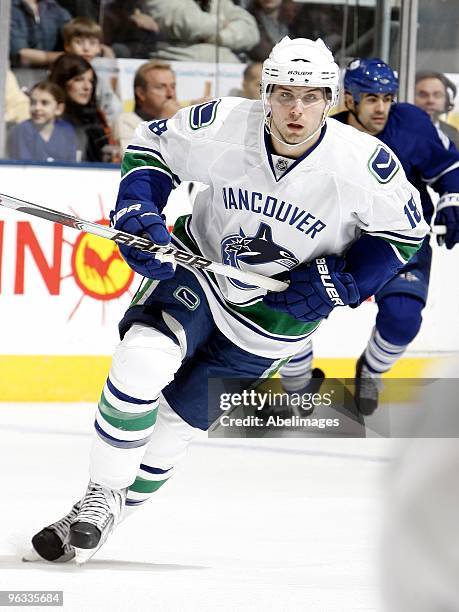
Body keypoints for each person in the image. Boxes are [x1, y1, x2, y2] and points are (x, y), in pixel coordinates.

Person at [27, 38, 427, 564]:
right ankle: (102, 492)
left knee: (174, 429)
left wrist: (341, 281)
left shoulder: (362, 163)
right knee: (143, 358)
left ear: (332, 99)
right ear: (264, 93)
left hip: (276, 319)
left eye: (310, 97)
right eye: (283, 94)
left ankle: (103, 513)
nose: (295, 110)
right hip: (202, 269)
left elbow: (404, 233)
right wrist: (134, 212)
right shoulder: (223, 124)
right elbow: (152, 150)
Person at [280, 58, 459, 414]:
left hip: (401, 239)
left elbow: (450, 167)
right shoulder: (320, 133)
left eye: (388, 98)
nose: (382, 108)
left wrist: (453, 198)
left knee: (403, 317)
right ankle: (298, 384)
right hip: (335, 238)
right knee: (289, 308)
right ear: (349, 99)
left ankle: (371, 372)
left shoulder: (411, 124)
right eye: (372, 98)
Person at [49, 53, 117, 162]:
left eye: (91, 81)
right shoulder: (48, 119)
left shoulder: (96, 119)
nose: (87, 87)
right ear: (62, 82)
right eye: (79, 79)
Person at [144, 0, 260, 63]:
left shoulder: (217, 3)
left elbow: (251, 31)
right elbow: (189, 24)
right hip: (177, 65)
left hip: (224, 71)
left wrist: (219, 38)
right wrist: (221, 22)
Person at [62, 17, 122, 127]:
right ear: (67, 46)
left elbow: (112, 107)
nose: (86, 48)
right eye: (79, 42)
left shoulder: (100, 76)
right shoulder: (60, 70)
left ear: (99, 48)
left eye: (92, 43)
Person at [113, 61, 180, 154]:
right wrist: (164, 123)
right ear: (141, 93)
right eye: (161, 87)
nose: (170, 94)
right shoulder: (126, 121)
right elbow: (136, 162)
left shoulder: (181, 121)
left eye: (173, 87)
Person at [8, 80, 78, 162]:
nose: (37, 108)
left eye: (44, 103)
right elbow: (24, 165)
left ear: (59, 109)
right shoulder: (22, 130)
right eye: (33, 102)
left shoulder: (67, 131)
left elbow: (71, 164)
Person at [10, 0, 71, 68]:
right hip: (20, 74)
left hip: (54, 73)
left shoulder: (54, 8)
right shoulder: (9, 8)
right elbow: (20, 55)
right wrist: (70, 57)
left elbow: (75, 33)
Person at [415, 71, 459, 149]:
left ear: (447, 100)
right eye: (423, 95)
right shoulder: (395, 131)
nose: (430, 100)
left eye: (437, 95)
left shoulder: (453, 132)